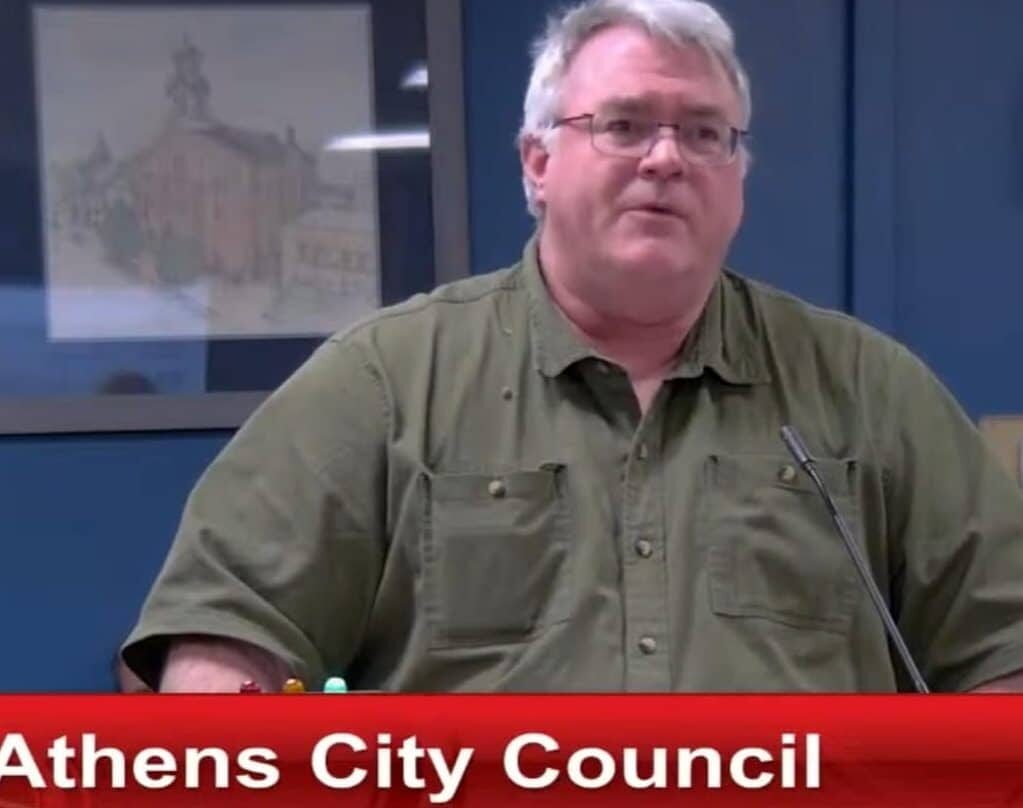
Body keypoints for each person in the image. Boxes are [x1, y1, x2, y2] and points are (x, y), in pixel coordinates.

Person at [122, 0, 1023, 693]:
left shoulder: (870, 392)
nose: (666, 158)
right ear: (537, 162)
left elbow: (1000, 657)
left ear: (737, 178)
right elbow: (218, 648)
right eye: (624, 125)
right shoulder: (384, 384)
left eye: (703, 132)